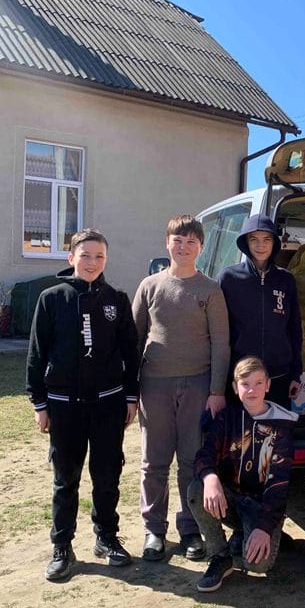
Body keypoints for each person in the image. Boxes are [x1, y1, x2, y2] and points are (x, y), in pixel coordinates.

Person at [26, 228, 139, 581]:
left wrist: (131, 397)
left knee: (107, 476)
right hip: (64, 407)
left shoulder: (117, 300)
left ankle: (106, 537)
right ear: (71, 257)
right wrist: (39, 403)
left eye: (99, 256)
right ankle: (62, 545)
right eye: (85, 255)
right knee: (66, 479)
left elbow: (130, 352)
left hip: (107, 405)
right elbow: (36, 353)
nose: (92, 262)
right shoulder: (51, 298)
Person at [132, 214, 230, 562]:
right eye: (178, 240)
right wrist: (132, 392)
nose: (184, 246)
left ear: (200, 248)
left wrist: (217, 390)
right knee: (153, 462)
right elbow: (134, 339)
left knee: (191, 461)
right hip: (154, 384)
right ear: (167, 243)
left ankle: (190, 529)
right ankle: (153, 531)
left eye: (191, 241)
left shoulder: (210, 289)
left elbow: (221, 343)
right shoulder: (150, 286)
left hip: (198, 385)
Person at [186, 356, 298, 592]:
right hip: (231, 499)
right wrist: (210, 478)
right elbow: (204, 455)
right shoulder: (228, 418)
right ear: (236, 388)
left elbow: (279, 485)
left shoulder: (282, 427)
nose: (252, 390)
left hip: (261, 506)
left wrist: (265, 527)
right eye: (245, 384)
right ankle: (220, 555)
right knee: (196, 489)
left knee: (257, 565)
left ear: (268, 385)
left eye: (258, 383)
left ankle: (255, 533)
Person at [216, 214, 303, 409]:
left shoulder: (286, 280)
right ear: (245, 242)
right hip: (242, 380)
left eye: (266, 239)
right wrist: (219, 384)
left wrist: (296, 373)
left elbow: (294, 329)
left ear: (274, 243)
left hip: (279, 377)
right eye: (253, 239)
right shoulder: (229, 278)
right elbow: (219, 334)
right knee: (240, 437)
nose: (260, 245)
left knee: (276, 436)